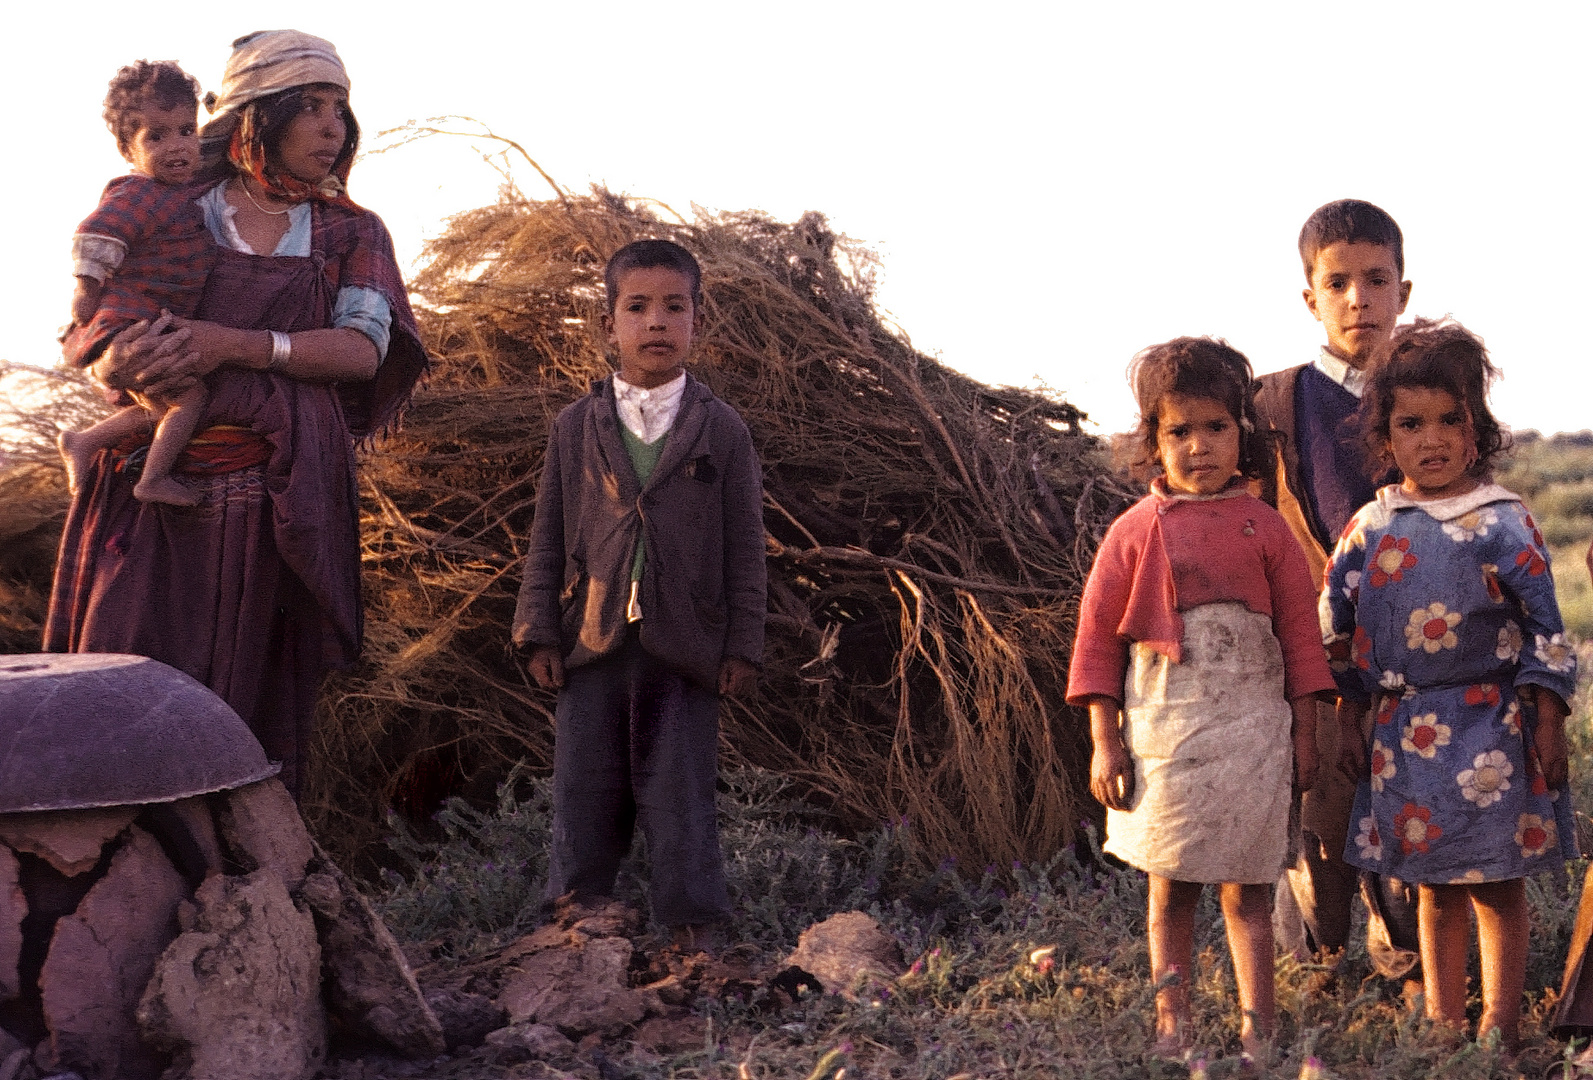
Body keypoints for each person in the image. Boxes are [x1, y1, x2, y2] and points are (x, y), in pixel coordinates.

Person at [45, 30, 428, 798]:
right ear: (258, 115)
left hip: (274, 508)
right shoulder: (170, 205)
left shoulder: (350, 231)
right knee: (119, 698)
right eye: (311, 108)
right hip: (146, 498)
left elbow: (359, 352)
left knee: (244, 719)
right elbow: (89, 321)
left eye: (340, 110)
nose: (334, 129)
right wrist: (113, 359)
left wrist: (239, 344)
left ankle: (240, 898)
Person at [1068, 338, 1336, 1059]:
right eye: (1178, 431)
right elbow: (1095, 644)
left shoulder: (1266, 527)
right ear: (1152, 441)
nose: (1198, 446)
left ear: (1241, 433)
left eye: (1215, 428)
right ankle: (1171, 1024)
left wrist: (1305, 736)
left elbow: (1301, 642)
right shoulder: (1131, 533)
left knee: (1247, 889)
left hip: (1252, 732)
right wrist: (1105, 740)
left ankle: (1259, 1031)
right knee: (1170, 885)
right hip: (1163, 733)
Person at [1322, 317, 1575, 1049]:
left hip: (1493, 727)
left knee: (1498, 884)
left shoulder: (1502, 521)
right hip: (1405, 733)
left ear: (1476, 429)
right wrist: (1348, 715)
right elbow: (1334, 627)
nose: (1430, 440)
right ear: (1384, 435)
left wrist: (1549, 720)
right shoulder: (1371, 527)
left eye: (1448, 420)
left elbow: (1546, 628)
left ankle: (1499, 1025)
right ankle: (1442, 1018)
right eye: (1410, 423)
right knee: (1431, 886)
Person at [512, 239, 766, 948]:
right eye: (637, 307)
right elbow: (546, 535)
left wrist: (743, 640)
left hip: (685, 644)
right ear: (608, 325)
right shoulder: (575, 427)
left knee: (679, 791)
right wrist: (536, 629)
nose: (656, 323)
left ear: (697, 321)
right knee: (584, 789)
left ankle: (694, 929)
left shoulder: (721, 427)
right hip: (590, 636)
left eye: (673, 307)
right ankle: (575, 923)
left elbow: (747, 546)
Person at [1255, 198, 1421, 980]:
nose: (1359, 298)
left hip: (1419, 651)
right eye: (1338, 282)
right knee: (1321, 815)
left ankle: (1416, 961)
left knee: (1417, 808)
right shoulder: (1273, 404)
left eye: (1375, 279)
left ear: (1403, 291)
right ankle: (1315, 969)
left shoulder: (1429, 398)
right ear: (1310, 297)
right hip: (1314, 652)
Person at [57, 60, 214, 507]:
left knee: (159, 408)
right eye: (156, 136)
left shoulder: (181, 194)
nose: (178, 146)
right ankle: (153, 479)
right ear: (129, 150)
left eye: (187, 130)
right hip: (132, 320)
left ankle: (84, 442)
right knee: (189, 400)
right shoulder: (139, 192)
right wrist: (85, 290)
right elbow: (98, 233)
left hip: (146, 317)